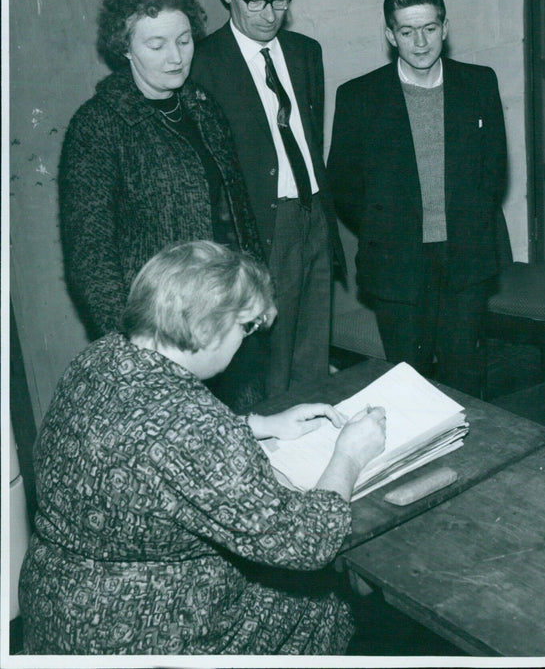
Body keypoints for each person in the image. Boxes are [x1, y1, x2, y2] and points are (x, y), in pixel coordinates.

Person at [18, 240, 386, 655]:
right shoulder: (193, 423)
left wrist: (257, 425)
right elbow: (306, 541)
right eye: (245, 327)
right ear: (207, 327)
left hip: (55, 606)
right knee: (326, 599)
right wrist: (350, 454)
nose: (247, 340)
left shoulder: (99, 358)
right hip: (145, 632)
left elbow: (139, 443)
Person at [59, 0, 268, 410]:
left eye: (184, 40)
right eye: (156, 45)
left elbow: (238, 212)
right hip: (163, 339)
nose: (175, 57)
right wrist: (134, 348)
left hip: (226, 322)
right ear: (125, 49)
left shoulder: (202, 107)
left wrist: (259, 293)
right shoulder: (99, 125)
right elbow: (89, 254)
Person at [327, 0, 508, 397]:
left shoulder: (480, 83)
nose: (421, 42)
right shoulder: (358, 96)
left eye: (429, 28)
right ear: (391, 35)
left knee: (466, 382)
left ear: (444, 28)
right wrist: (389, 226)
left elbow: (494, 171)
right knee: (410, 386)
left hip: (465, 260)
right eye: (407, 32)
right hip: (396, 265)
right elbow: (345, 184)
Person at [192, 0, 344, 398]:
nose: (269, 13)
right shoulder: (203, 63)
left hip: (313, 211)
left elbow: (309, 139)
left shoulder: (305, 52)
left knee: (314, 346)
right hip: (259, 223)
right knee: (269, 359)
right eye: (255, 0)